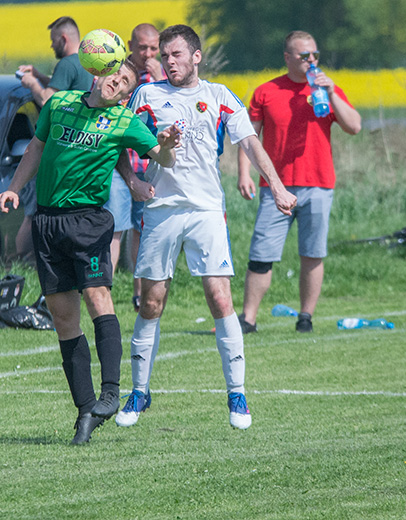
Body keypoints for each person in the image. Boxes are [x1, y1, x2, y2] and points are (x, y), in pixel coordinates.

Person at [115, 25, 297, 431]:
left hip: (207, 212)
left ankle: (237, 393)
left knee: (219, 297)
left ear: (196, 56)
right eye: (164, 56)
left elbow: (250, 143)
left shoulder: (217, 96)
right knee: (151, 302)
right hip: (161, 211)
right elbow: (115, 140)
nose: (169, 61)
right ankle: (139, 392)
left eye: (177, 54)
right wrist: (133, 182)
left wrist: (278, 185)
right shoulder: (147, 96)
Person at [0, 60, 180, 445]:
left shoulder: (122, 121)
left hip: (89, 221)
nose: (117, 82)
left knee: (98, 297)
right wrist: (15, 187)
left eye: (126, 82)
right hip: (48, 222)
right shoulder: (59, 104)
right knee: (64, 320)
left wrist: (164, 147)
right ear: (98, 73)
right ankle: (85, 410)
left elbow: (162, 159)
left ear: (127, 95)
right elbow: (35, 148)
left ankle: (111, 393)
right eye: (115, 74)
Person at [237, 31, 361, 334]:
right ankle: (248, 319)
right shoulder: (266, 91)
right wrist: (244, 173)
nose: (311, 61)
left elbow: (354, 126)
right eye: (304, 55)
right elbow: (247, 137)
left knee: (312, 253)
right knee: (261, 255)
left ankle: (305, 317)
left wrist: (331, 91)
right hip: (275, 188)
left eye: (314, 55)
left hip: (318, 184)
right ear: (287, 57)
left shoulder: (324, 89)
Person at [15, 16, 95, 261]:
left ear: (64, 39)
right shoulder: (88, 64)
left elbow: (50, 101)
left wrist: (31, 84)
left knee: (33, 212)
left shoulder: (66, 65)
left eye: (53, 42)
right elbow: (67, 90)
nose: (51, 47)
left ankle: (17, 259)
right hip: (83, 148)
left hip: (56, 148)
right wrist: (40, 75)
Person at [103, 23, 163, 310]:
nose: (148, 53)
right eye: (143, 48)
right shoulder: (119, 73)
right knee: (114, 224)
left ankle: (140, 291)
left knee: (143, 227)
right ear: (131, 45)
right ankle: (105, 288)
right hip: (118, 161)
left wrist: (159, 76)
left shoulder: (163, 77)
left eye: (154, 48)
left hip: (147, 163)